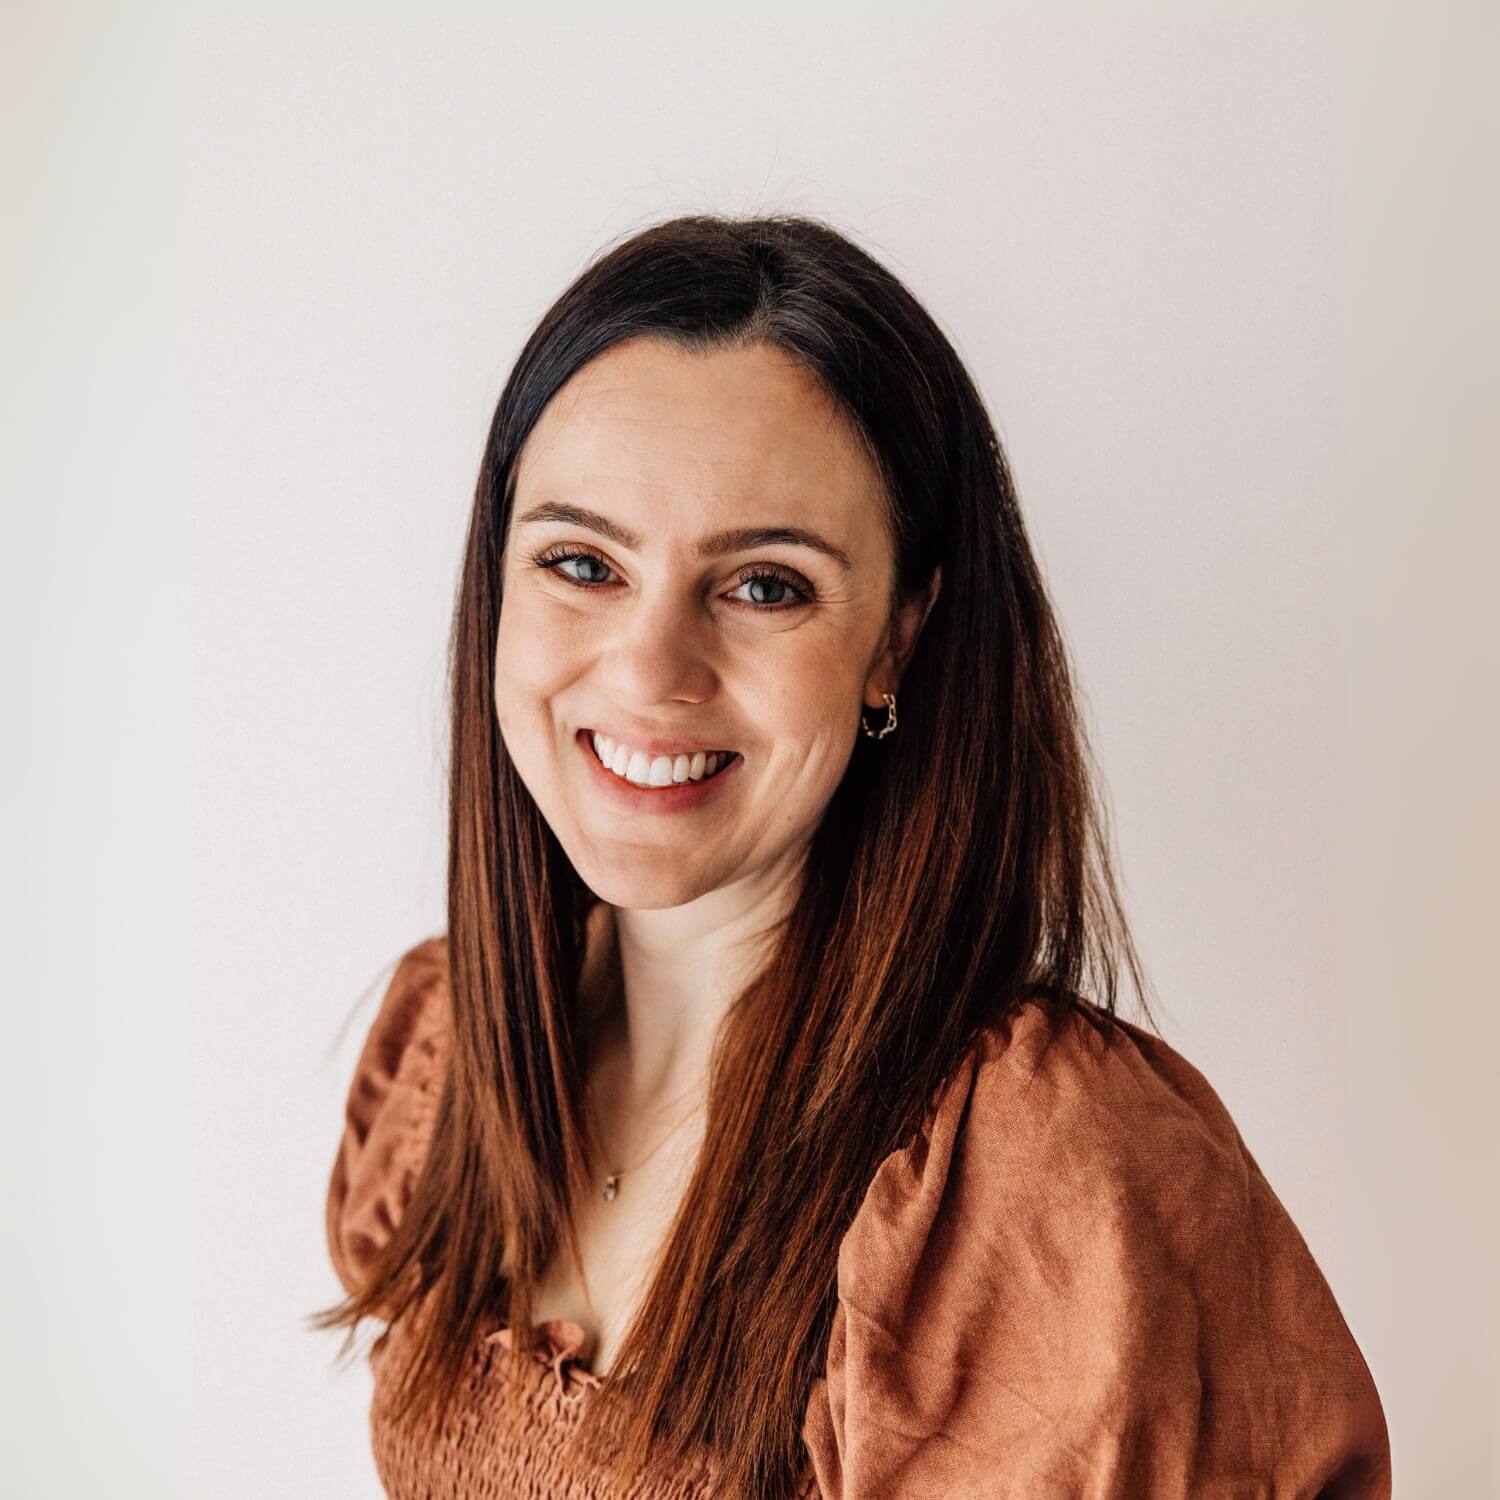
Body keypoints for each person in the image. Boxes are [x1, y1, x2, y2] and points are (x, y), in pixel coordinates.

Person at [311, 213, 1391, 1499]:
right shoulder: (453, 1048)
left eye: (765, 585)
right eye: (581, 563)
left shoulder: (1037, 1186)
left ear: (898, 638)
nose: (652, 669)